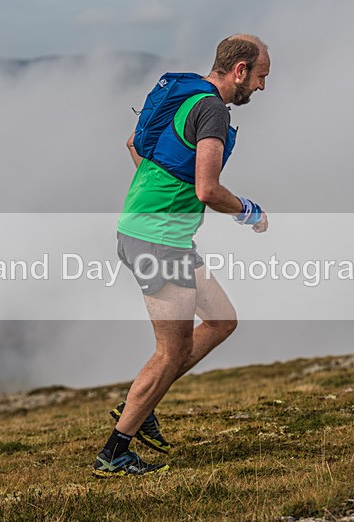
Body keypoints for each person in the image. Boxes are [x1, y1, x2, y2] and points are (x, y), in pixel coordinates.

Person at [93, 34, 271, 477]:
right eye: (262, 76)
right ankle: (115, 451)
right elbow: (207, 190)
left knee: (222, 320)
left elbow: (135, 143)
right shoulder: (210, 109)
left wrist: (161, 194)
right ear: (240, 70)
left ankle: (140, 399)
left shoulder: (185, 93)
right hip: (159, 241)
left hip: (157, 233)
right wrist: (248, 211)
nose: (264, 87)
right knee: (171, 352)